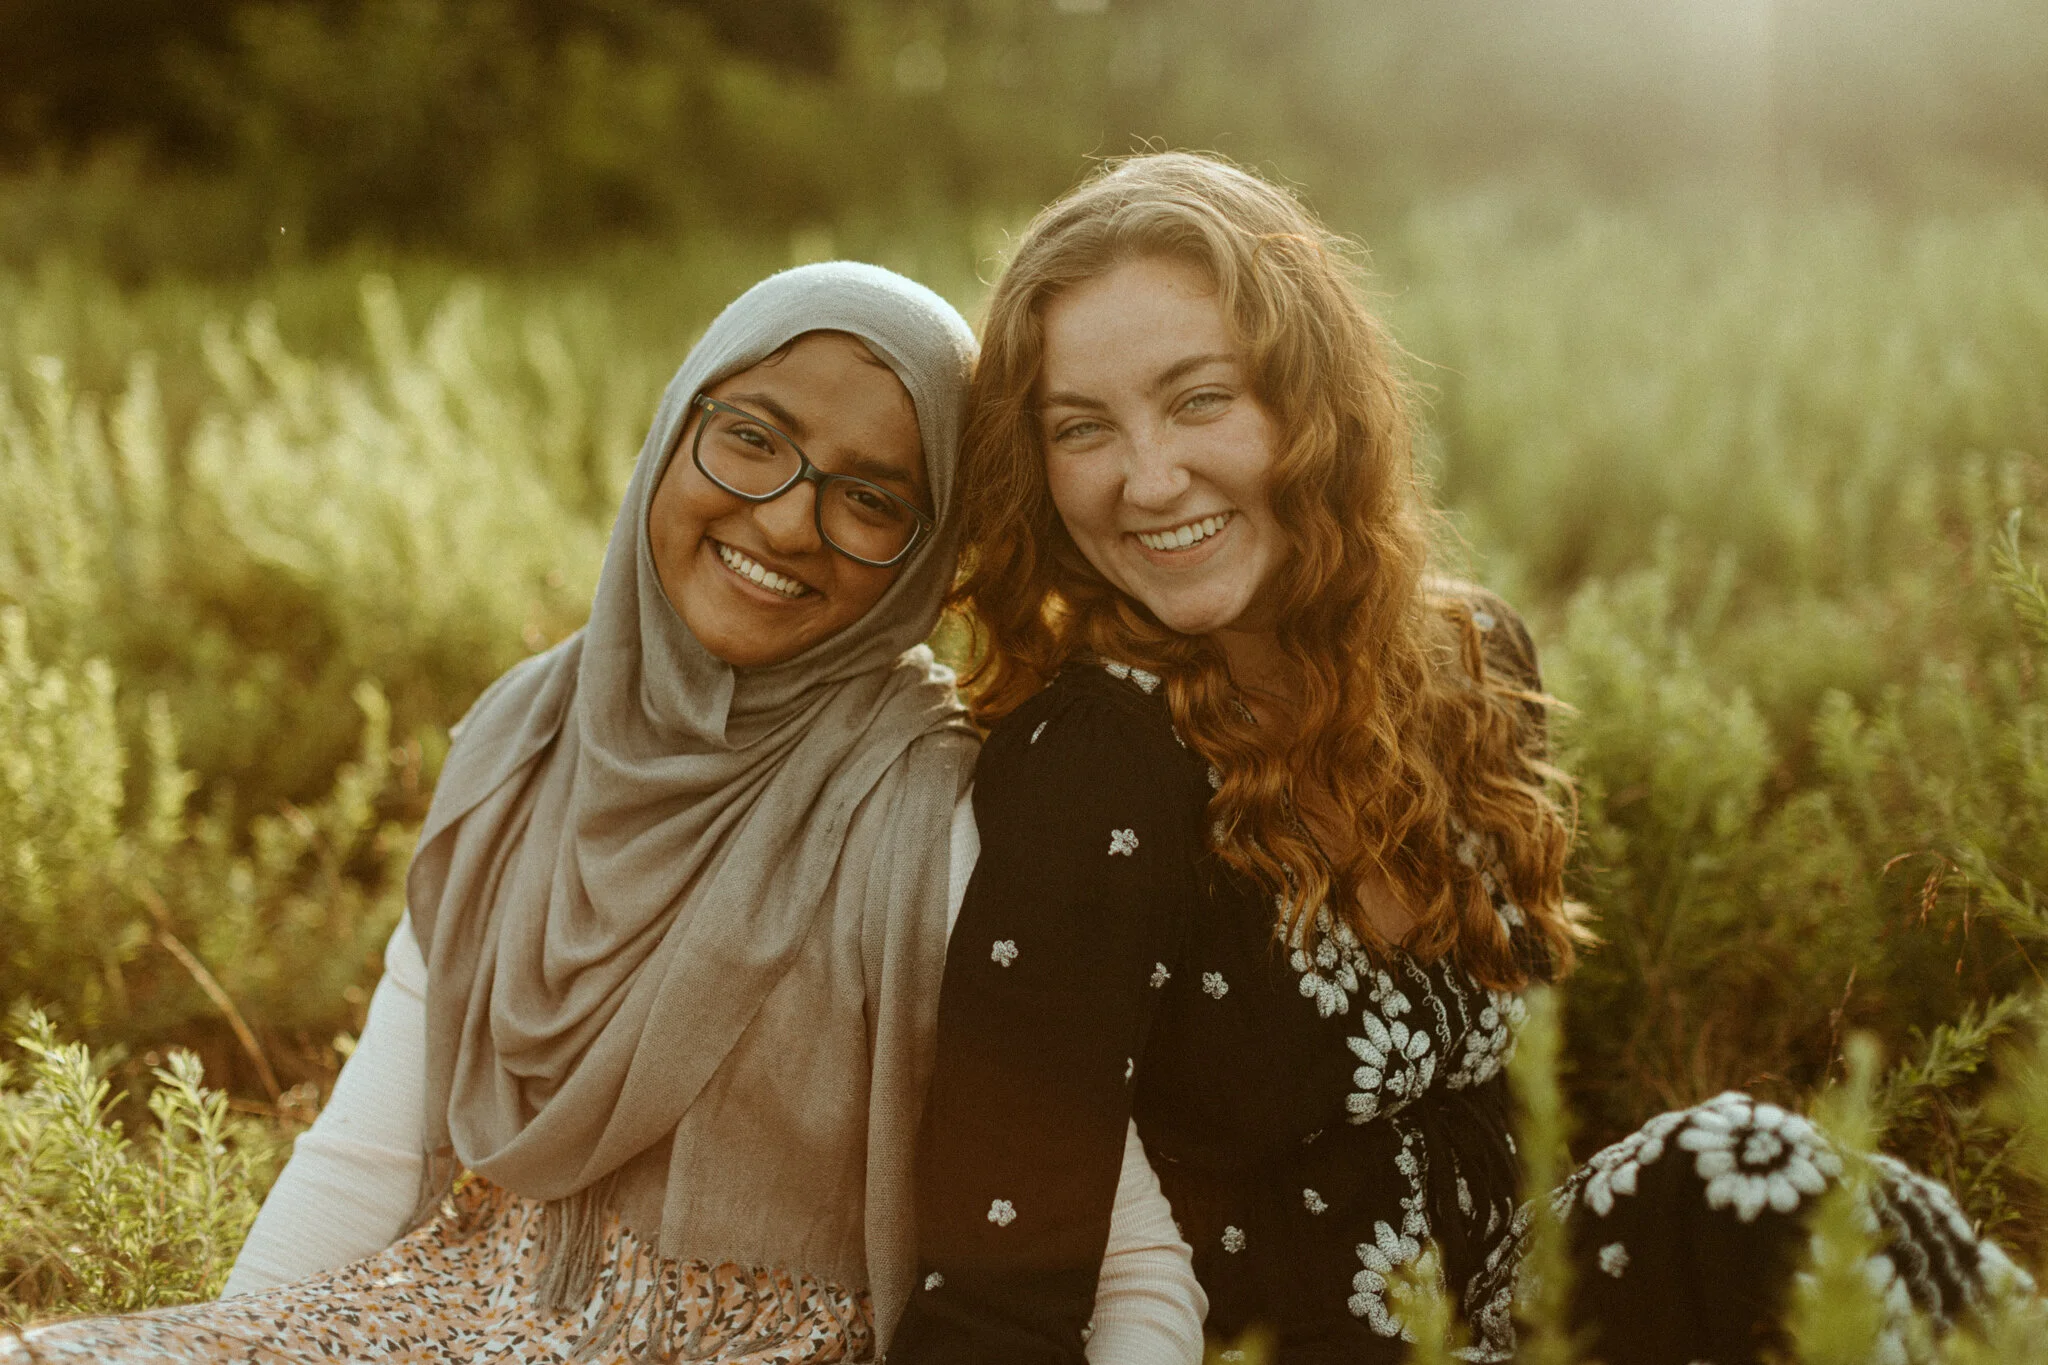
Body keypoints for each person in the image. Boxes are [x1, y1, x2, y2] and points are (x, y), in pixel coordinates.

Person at [887, 154, 2033, 1365]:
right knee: (1733, 1165)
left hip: (1517, 1306)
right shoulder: (1093, 762)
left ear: (1309, 399)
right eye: (1082, 428)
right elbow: (1004, 1258)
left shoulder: (1466, 659)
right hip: (1294, 1350)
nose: (1148, 476)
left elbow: (1523, 1115)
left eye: (1199, 399)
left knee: (1764, 1195)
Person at [5, 263, 1204, 1364]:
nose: (787, 520)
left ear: (932, 554)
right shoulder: (527, 739)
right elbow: (364, 1159)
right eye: (750, 439)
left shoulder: (937, 816)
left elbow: (1134, 1262)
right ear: (672, 432)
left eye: (872, 499)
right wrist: (232, 1345)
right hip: (446, 1317)